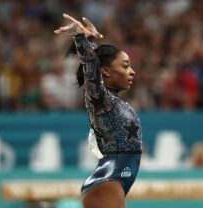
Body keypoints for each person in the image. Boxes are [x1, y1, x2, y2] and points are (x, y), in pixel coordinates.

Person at [54, 14, 142, 208]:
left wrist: (92, 41)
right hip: (108, 181)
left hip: (113, 180)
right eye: (126, 66)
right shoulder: (101, 100)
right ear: (106, 71)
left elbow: (96, 64)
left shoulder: (111, 101)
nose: (132, 71)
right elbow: (92, 66)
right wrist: (81, 38)